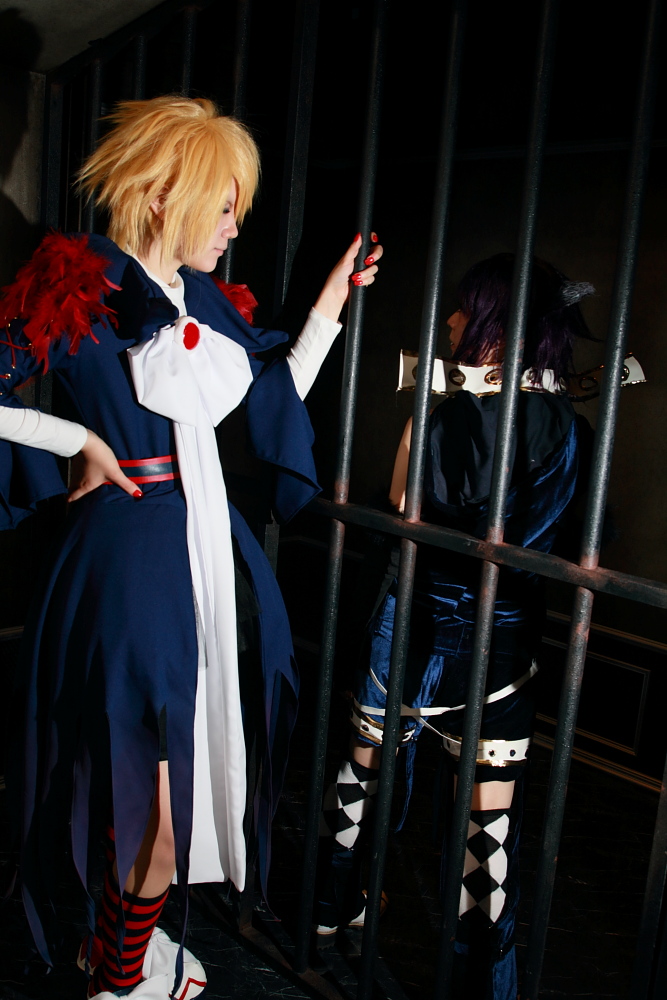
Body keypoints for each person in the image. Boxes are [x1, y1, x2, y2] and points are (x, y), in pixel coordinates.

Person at [0, 95, 382, 999]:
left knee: (158, 775)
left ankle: (113, 955)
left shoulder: (202, 297)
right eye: (223, 205)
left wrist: (328, 305)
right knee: (152, 795)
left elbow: (264, 395)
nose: (233, 226)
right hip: (130, 559)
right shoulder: (78, 278)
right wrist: (75, 441)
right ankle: (122, 979)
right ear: (164, 193)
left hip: (200, 554)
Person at [315, 253, 594, 1000]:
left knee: (363, 767)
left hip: (416, 624)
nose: (448, 321)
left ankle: (329, 904)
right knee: (488, 826)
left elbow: (403, 501)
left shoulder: (450, 417)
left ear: (499, 327)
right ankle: (480, 981)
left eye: (464, 308)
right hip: (506, 643)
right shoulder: (572, 429)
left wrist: (422, 420)